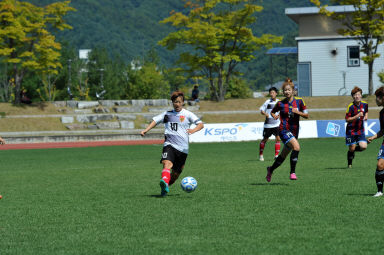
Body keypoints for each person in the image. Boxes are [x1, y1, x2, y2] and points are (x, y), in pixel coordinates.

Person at [141, 91, 204, 196]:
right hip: (169, 145)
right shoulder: (167, 114)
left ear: (183, 102)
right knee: (167, 163)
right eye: (175, 102)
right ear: (172, 103)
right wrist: (146, 130)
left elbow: (200, 124)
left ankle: (165, 187)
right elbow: (155, 121)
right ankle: (164, 181)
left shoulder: (187, 114)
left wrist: (193, 130)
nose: (177, 104)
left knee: (175, 175)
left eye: (179, 102)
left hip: (183, 149)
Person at [266, 80, 309, 182]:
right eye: (285, 90)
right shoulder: (280, 103)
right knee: (297, 147)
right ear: (283, 92)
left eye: (289, 90)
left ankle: (270, 169)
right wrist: (274, 116)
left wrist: (297, 112)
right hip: (283, 130)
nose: (287, 92)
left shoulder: (300, 101)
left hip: (294, 131)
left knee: (283, 155)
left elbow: (306, 115)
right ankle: (292, 172)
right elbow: (272, 112)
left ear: (293, 91)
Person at [345, 86, 368, 168]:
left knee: (364, 147)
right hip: (351, 130)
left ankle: (353, 150)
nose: (357, 96)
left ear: (361, 95)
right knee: (351, 148)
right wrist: (357, 116)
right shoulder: (350, 106)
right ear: (353, 97)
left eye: (358, 94)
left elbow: (366, 112)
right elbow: (347, 119)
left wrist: (366, 116)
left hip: (360, 130)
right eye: (355, 95)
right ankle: (349, 164)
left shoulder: (365, 104)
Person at [367, 86, 384, 197]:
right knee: (380, 165)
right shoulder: (382, 113)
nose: (376, 100)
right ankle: (379, 191)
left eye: (377, 98)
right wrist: (373, 137)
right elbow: (383, 130)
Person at [259, 87, 281, 161]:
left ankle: (276, 155)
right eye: (271, 93)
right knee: (265, 139)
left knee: (278, 139)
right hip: (268, 125)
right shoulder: (267, 102)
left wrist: (279, 115)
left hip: (277, 124)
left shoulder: (279, 102)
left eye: (273, 92)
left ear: (276, 93)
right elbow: (261, 110)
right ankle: (261, 155)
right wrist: (265, 114)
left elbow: (282, 111)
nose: (272, 94)